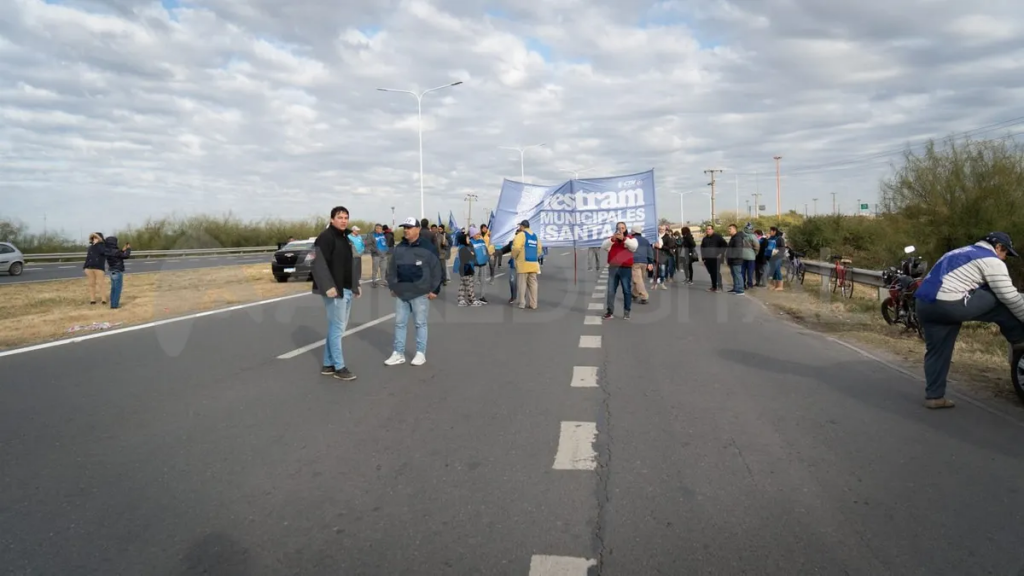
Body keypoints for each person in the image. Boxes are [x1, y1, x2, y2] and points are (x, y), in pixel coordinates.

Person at [915, 232, 1024, 409]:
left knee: (937, 351)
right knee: (999, 298)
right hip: (949, 304)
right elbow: (1010, 297)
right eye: (1006, 253)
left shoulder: (956, 252)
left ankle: (934, 397)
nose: (1005, 258)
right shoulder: (991, 260)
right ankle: (1019, 340)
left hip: (924, 304)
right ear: (998, 247)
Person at [311, 206, 362, 381]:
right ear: (332, 219)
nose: (343, 220)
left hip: (346, 288)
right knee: (338, 327)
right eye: (340, 217)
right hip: (334, 290)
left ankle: (327, 364)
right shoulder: (325, 238)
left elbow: (349, 264)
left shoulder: (345, 238)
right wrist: (328, 286)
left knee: (337, 327)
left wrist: (355, 285)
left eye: (346, 217)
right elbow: (317, 263)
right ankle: (339, 367)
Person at [385, 218, 443, 366]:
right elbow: (391, 268)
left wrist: (435, 289)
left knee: (420, 323)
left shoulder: (427, 247)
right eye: (404, 227)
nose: (406, 230)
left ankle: (420, 353)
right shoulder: (400, 247)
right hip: (402, 293)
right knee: (399, 323)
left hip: (420, 293)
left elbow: (437, 269)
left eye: (409, 227)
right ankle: (398, 353)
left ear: (417, 229)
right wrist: (392, 286)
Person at [601, 222, 639, 319]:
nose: (620, 230)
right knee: (610, 290)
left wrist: (624, 239)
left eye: (622, 228)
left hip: (625, 268)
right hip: (613, 268)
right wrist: (612, 240)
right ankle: (610, 311)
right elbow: (604, 246)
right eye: (619, 228)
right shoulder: (612, 239)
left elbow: (634, 247)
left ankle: (627, 311)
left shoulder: (631, 239)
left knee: (626, 290)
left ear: (626, 228)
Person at [511, 219, 542, 309]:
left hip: (523, 264)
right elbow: (539, 249)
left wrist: (514, 256)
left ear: (522, 226)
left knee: (522, 284)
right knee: (533, 285)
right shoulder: (535, 236)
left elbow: (516, 247)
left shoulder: (521, 235)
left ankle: (522, 303)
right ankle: (533, 304)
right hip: (533, 264)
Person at [103, 235, 131, 309]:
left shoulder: (107, 251)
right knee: (117, 289)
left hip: (112, 271)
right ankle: (115, 305)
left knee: (113, 288)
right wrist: (128, 249)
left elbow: (118, 255)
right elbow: (126, 256)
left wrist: (122, 250)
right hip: (118, 271)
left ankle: (113, 304)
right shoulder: (116, 251)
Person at [455, 231, 480, 307]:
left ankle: (461, 300)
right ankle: (472, 300)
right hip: (466, 269)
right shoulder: (464, 249)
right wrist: (472, 254)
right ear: (463, 240)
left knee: (462, 285)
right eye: (467, 238)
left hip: (462, 269)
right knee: (469, 285)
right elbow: (471, 257)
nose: (469, 240)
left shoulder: (461, 247)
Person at [700, 225, 727, 292]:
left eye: (709, 229)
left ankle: (720, 287)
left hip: (716, 258)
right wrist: (703, 257)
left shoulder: (717, 237)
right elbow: (702, 248)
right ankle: (714, 286)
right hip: (708, 259)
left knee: (716, 272)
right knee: (711, 273)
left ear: (712, 230)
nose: (707, 230)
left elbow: (725, 245)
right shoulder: (705, 239)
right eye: (707, 229)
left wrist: (721, 253)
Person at [83, 232, 107, 305]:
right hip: (89, 267)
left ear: (99, 238)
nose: (94, 239)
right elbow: (88, 257)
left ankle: (104, 299)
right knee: (91, 284)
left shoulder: (103, 246)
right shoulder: (91, 247)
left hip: (99, 267)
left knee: (101, 284)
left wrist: (97, 244)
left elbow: (102, 252)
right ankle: (92, 299)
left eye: (96, 237)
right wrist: (85, 267)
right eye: (93, 238)